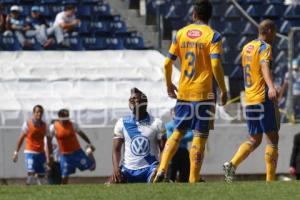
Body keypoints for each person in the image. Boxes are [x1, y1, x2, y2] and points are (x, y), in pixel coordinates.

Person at [154, 0, 227, 183]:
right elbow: (216, 63)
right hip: (205, 93)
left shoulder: (180, 33)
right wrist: (223, 90)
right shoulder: (213, 36)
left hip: (184, 92)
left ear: (194, 14)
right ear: (209, 16)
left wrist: (169, 85)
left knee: (178, 131)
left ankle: (161, 169)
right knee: (199, 136)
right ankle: (193, 179)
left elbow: (167, 63)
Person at [223, 19, 280, 182]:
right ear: (268, 30)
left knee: (254, 139)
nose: (275, 36)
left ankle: (232, 164)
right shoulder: (265, 47)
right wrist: (271, 87)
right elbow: (264, 67)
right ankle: (271, 180)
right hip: (263, 97)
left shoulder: (246, 47)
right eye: (274, 32)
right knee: (273, 138)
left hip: (249, 98)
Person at [108, 88, 166, 184]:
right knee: (110, 184)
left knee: (159, 182)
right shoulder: (121, 123)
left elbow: (164, 149)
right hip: (128, 169)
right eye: (131, 100)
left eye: (136, 99)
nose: (133, 102)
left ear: (144, 102)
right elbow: (116, 149)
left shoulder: (157, 123)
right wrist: (116, 168)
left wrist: (161, 167)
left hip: (150, 168)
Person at [49, 109, 96, 184]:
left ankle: (89, 152)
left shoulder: (73, 125)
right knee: (64, 175)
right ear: (59, 118)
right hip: (65, 155)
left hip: (77, 152)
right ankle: (62, 192)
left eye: (67, 117)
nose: (66, 120)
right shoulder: (54, 127)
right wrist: (50, 153)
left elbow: (81, 134)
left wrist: (89, 143)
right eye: (64, 118)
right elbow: (49, 140)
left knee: (92, 167)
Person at [12, 105, 53, 185]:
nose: (39, 114)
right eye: (37, 112)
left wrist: (50, 155)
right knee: (31, 174)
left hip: (41, 153)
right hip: (30, 152)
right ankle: (26, 192)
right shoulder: (27, 124)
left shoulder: (45, 126)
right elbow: (21, 138)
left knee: (42, 177)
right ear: (34, 113)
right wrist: (16, 152)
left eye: (41, 112)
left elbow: (48, 141)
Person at [166, 108, 193, 182]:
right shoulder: (169, 125)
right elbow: (170, 138)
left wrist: (177, 136)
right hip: (173, 151)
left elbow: (190, 136)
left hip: (183, 151)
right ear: (171, 114)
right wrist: (183, 135)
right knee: (172, 171)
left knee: (185, 171)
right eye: (174, 113)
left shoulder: (186, 124)